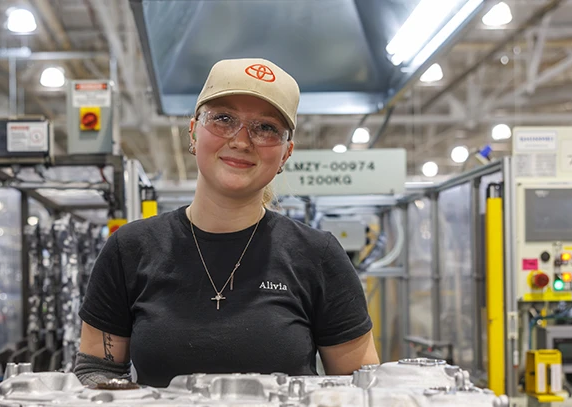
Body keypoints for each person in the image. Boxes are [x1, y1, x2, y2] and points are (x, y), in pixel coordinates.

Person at [75, 58, 379, 387]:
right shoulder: (130, 250)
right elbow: (97, 371)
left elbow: (360, 386)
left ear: (286, 154)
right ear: (194, 132)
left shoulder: (318, 256)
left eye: (266, 128)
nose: (241, 141)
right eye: (223, 119)